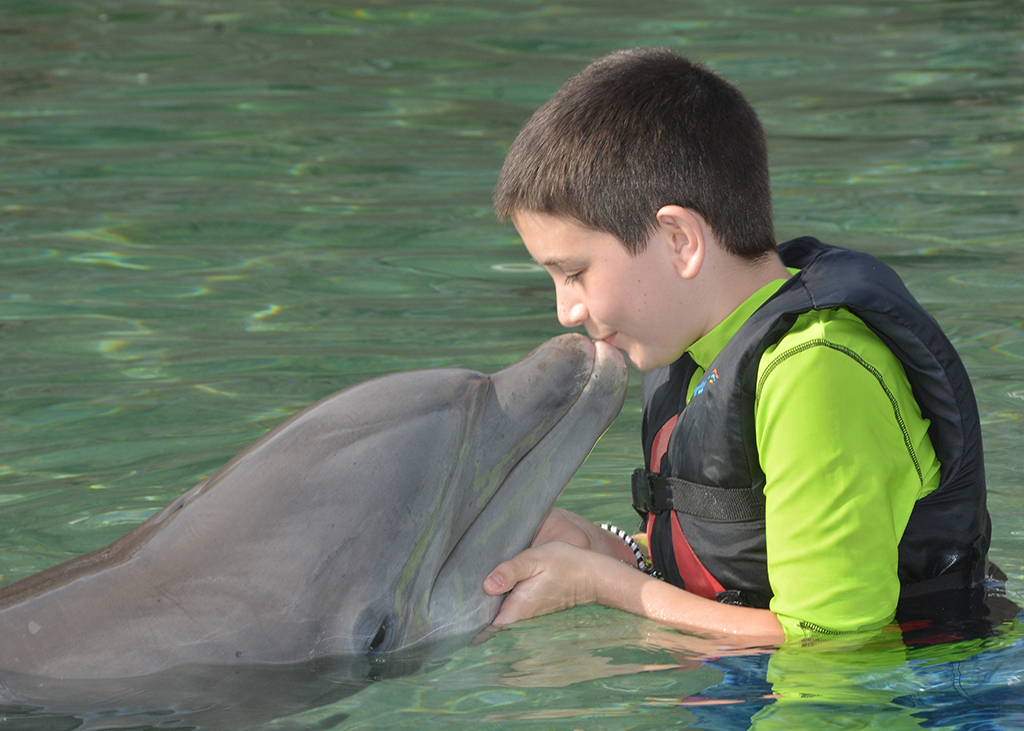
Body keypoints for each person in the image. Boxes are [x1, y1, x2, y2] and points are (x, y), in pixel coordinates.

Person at [482, 47, 992, 644]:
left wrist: (605, 587)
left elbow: (834, 643)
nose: (566, 310)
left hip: (927, 693)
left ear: (679, 239)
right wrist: (607, 549)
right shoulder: (704, 352)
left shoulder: (816, 369)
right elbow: (748, 553)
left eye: (574, 272)